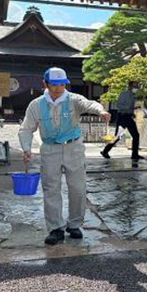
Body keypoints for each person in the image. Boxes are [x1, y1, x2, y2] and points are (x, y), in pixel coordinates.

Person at [19, 67, 111, 245]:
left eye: (62, 84)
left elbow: (89, 104)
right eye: (54, 85)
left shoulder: (73, 99)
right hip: (50, 149)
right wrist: (26, 148)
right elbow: (26, 128)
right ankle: (55, 228)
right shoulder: (36, 105)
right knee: (51, 188)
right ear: (45, 84)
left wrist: (101, 111)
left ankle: (74, 224)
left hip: (73, 147)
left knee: (77, 188)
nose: (59, 88)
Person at [101, 81, 143, 160]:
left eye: (137, 86)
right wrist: (130, 108)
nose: (136, 88)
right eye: (135, 86)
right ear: (130, 86)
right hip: (122, 116)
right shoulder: (124, 94)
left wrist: (132, 112)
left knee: (136, 135)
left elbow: (131, 107)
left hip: (128, 116)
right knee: (118, 136)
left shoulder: (133, 96)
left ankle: (135, 154)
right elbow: (119, 105)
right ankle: (105, 151)